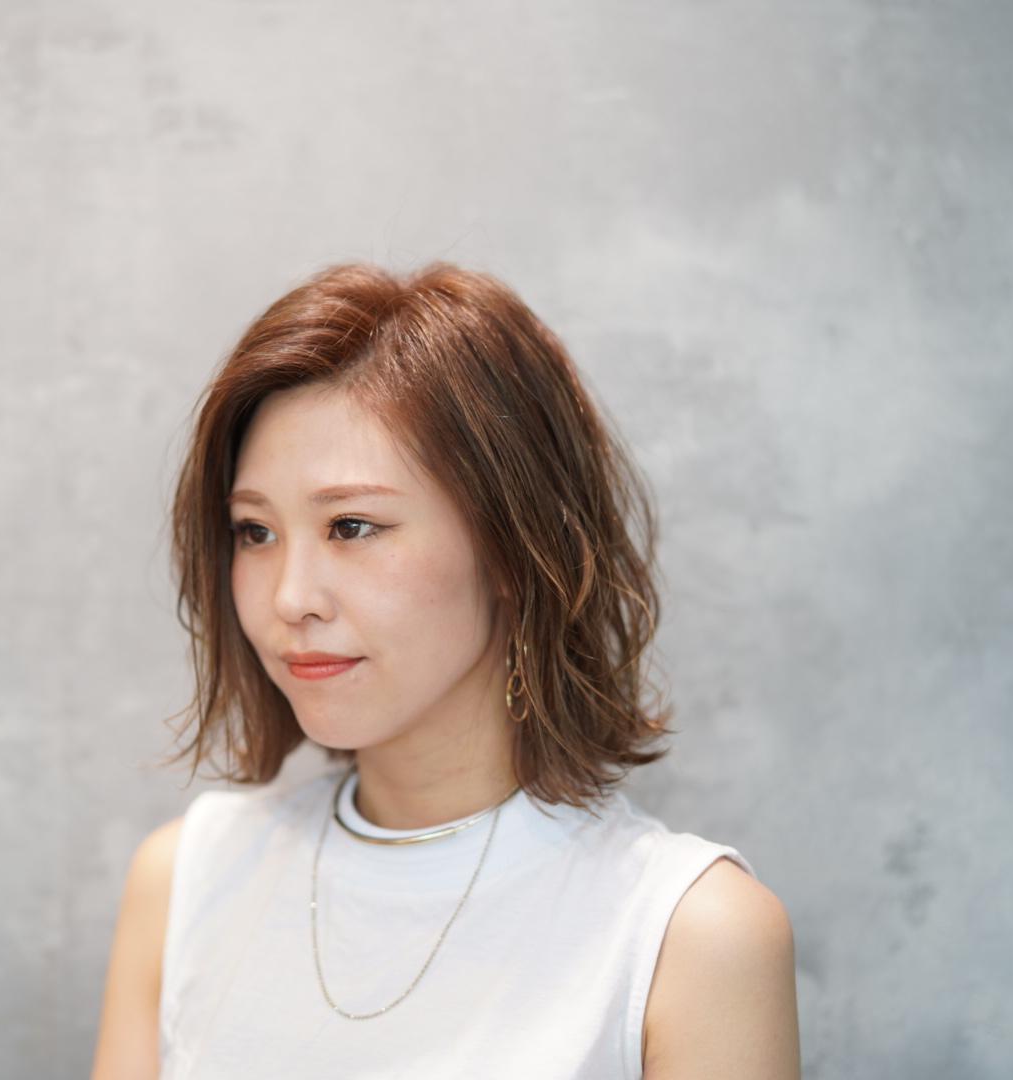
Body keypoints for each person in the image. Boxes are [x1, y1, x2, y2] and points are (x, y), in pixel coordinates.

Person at [91, 262, 800, 1079]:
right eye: (255, 532)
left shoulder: (690, 936)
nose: (290, 598)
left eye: (351, 526)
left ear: (513, 546)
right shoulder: (186, 882)